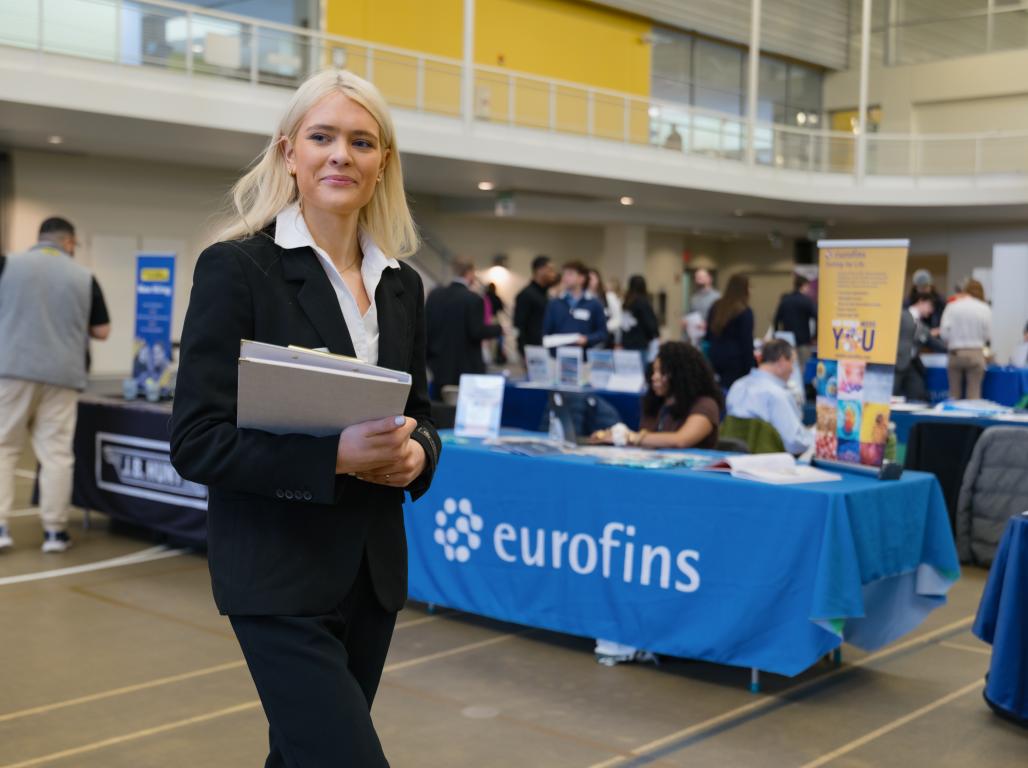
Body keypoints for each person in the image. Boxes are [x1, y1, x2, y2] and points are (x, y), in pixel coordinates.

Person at [169, 70, 442, 767]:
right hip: (276, 574)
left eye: (361, 141)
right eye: (322, 137)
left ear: (384, 164)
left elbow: (421, 412)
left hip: (370, 575)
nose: (340, 155)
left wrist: (421, 457)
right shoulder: (238, 270)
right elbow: (197, 441)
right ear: (290, 153)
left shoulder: (403, 286)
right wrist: (335, 459)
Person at [0, 217, 110, 553]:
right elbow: (102, 331)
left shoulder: (7, 264)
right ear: (68, 242)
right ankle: (54, 532)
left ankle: (1, 528)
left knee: (4, 448)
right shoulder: (84, 276)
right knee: (57, 454)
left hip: (12, 370)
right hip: (63, 375)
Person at [590, 341, 723, 450]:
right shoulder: (658, 402)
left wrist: (629, 437)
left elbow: (680, 440)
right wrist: (612, 437)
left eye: (661, 372)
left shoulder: (706, 404)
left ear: (680, 374)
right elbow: (649, 440)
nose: (654, 377)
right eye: (654, 371)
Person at [425, 260, 502, 393]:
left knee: (438, 409)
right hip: (466, 368)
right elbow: (476, 331)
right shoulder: (474, 299)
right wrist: (499, 329)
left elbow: (426, 328)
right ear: (470, 273)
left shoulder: (435, 295)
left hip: (438, 365)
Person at [725, 339, 813, 455]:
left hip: (732, 459)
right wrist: (813, 437)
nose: (792, 370)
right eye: (792, 363)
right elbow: (794, 443)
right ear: (782, 362)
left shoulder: (737, 386)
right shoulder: (776, 395)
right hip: (768, 463)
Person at [940, 278, 992, 400]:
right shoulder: (984, 308)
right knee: (974, 394)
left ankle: (951, 418)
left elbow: (944, 333)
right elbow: (988, 335)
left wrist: (952, 340)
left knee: (953, 395)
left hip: (955, 353)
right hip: (975, 352)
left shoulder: (952, 306)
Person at [705, 273, 756, 389]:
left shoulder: (715, 306)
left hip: (715, 358)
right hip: (736, 362)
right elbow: (746, 343)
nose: (751, 291)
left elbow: (708, 335)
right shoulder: (744, 311)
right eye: (749, 287)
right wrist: (750, 369)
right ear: (743, 289)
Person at [542, 260, 608, 348]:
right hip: (557, 357)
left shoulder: (594, 304)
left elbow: (602, 333)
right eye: (564, 274)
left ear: (581, 278)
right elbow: (546, 332)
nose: (565, 278)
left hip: (584, 358)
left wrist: (587, 339)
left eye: (570, 274)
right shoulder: (554, 303)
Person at [894, 295, 943, 401]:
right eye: (930, 306)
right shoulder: (901, 315)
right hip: (895, 364)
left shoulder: (923, 327)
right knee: (891, 397)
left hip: (912, 365)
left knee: (917, 395)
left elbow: (935, 343)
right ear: (921, 302)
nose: (931, 311)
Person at [513, 255, 556, 358]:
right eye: (550, 270)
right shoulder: (526, 295)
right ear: (540, 270)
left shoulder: (546, 294)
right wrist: (523, 352)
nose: (553, 274)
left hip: (547, 347)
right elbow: (519, 325)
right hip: (532, 350)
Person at [772, 274, 817, 371]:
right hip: (803, 340)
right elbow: (817, 317)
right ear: (804, 285)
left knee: (789, 367)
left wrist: (776, 335)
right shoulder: (807, 301)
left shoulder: (785, 300)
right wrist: (815, 336)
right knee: (804, 367)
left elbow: (776, 320)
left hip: (787, 340)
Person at [619, 274, 660, 352]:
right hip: (640, 343)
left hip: (626, 343)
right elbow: (650, 324)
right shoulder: (642, 302)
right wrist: (655, 335)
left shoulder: (627, 302)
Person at [588, 268, 622, 347]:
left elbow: (617, 318)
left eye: (592, 279)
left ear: (598, 279)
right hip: (587, 338)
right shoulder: (582, 298)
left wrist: (604, 328)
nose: (589, 281)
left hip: (604, 338)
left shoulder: (608, 296)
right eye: (587, 279)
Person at [484, 281, 507, 363]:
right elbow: (501, 307)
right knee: (494, 340)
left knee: (489, 340)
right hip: (493, 318)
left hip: (486, 319)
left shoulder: (485, 297)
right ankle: (493, 357)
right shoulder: (495, 297)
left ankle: (490, 356)